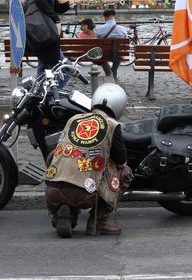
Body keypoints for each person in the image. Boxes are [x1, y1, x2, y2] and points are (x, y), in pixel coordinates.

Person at [44, 83, 132, 238]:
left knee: (65, 160)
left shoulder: (74, 119)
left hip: (52, 190)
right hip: (83, 193)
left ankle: (64, 212)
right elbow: (121, 160)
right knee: (125, 173)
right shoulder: (112, 125)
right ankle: (97, 221)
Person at [27, 0, 76, 88]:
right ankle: (49, 98)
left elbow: (53, 7)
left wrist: (65, 5)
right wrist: (56, 20)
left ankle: (38, 100)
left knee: (43, 73)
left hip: (45, 35)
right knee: (65, 71)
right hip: (45, 34)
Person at [94, 9, 128, 77]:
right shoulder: (122, 29)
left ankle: (109, 73)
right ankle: (113, 72)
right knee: (118, 52)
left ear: (105, 17)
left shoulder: (98, 29)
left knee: (101, 54)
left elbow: (96, 43)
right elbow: (126, 43)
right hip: (118, 54)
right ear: (114, 16)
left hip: (104, 54)